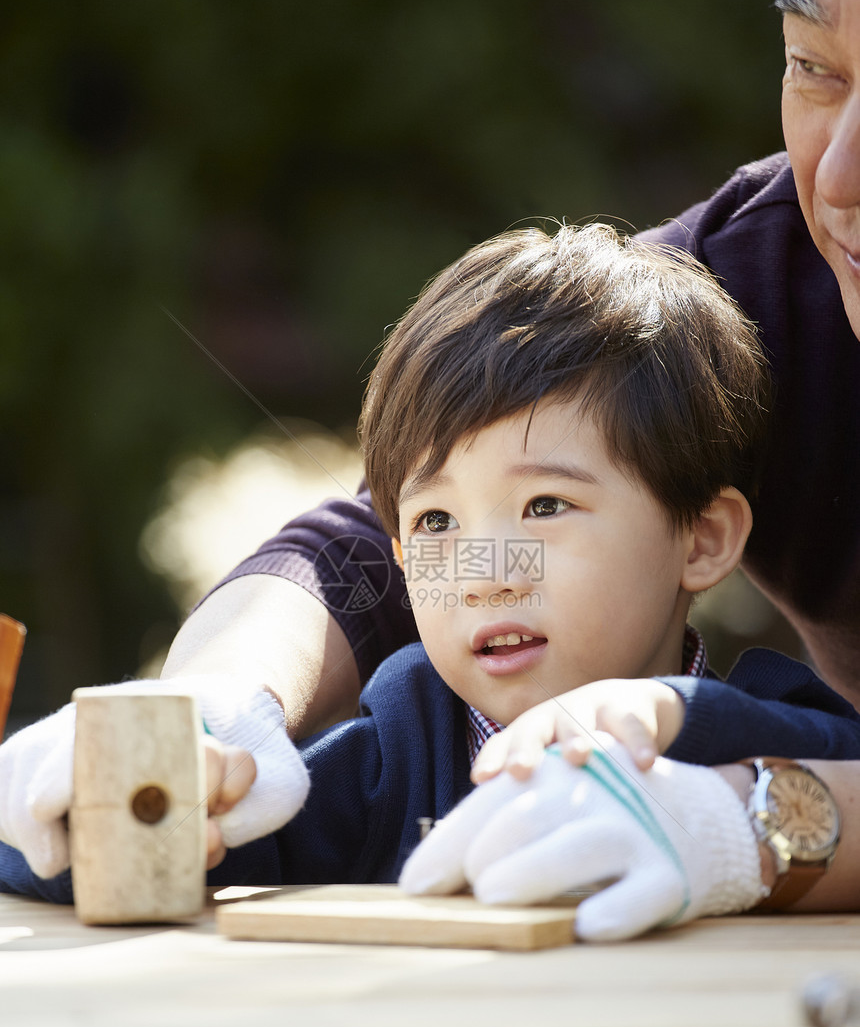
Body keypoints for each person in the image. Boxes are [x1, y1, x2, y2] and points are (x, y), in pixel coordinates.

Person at [152, 0, 860, 920]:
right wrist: (192, 734)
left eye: (541, 506)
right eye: (811, 67)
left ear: (706, 539)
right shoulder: (739, 280)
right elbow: (361, 549)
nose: (835, 179)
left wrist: (733, 817)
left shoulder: (741, 725)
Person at [3, 225, 860, 940]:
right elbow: (173, 851)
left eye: (546, 504)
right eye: (437, 524)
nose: (484, 578)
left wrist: (677, 720)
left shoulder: (775, 726)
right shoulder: (394, 756)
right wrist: (87, 799)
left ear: (703, 538)